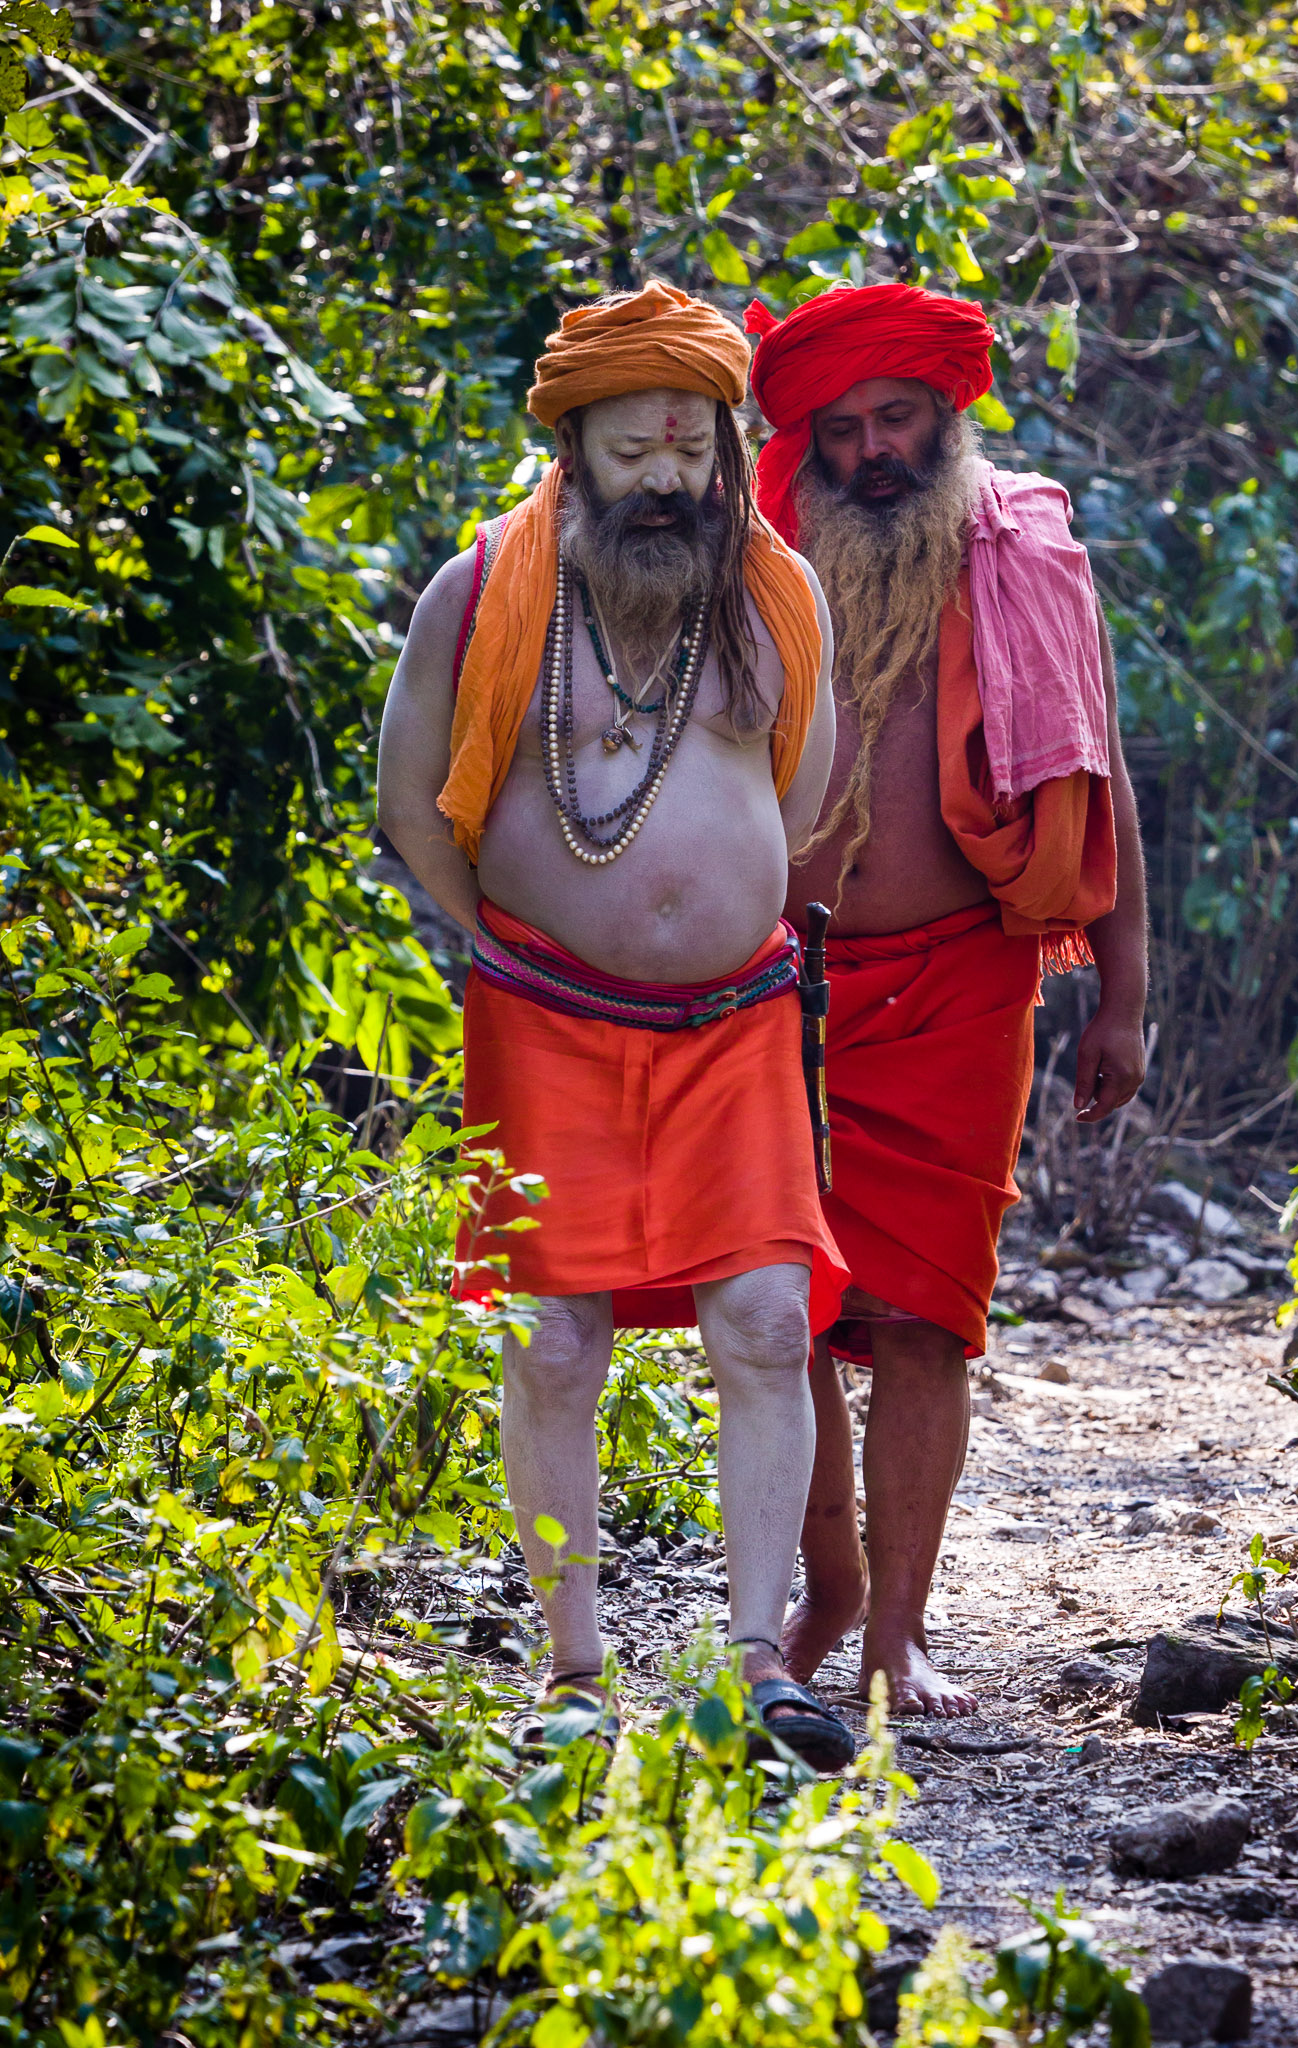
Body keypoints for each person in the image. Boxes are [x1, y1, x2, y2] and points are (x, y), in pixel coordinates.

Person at [377, 281, 856, 1769]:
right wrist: (500, 949)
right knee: (554, 1340)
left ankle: (752, 1665)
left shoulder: (776, 591)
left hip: (736, 1022)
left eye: (690, 450)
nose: (666, 480)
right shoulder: (482, 590)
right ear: (571, 447)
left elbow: (803, 797)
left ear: (725, 451)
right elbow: (413, 806)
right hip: (545, 1020)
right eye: (633, 449)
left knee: (770, 1325)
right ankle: (571, 1668)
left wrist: (703, 909)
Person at [744, 281, 1150, 1717]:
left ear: (948, 414)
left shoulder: (1026, 548)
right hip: (769, 988)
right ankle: (826, 1585)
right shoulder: (754, 551)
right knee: (774, 1312)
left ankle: (896, 1631)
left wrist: (1122, 993)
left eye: (895, 417)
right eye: (840, 426)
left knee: (925, 1322)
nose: (869, 449)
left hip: (965, 985)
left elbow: (1097, 774)